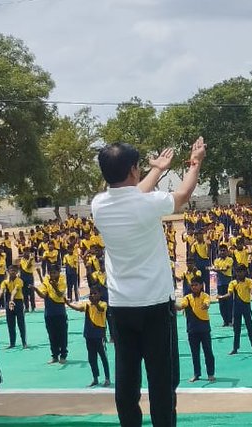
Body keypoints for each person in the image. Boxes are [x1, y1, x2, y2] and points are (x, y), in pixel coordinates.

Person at [91, 138, 205, 427]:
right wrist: (196, 162)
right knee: (162, 382)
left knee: (126, 381)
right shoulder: (148, 204)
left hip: (121, 307)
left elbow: (131, 194)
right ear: (132, 169)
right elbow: (183, 193)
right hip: (154, 306)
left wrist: (156, 169)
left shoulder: (99, 205)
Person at [68, 286, 111, 387]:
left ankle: (107, 378)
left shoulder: (103, 304)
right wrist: (68, 304)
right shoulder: (87, 305)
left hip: (99, 335)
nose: (92, 295)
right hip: (89, 335)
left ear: (100, 294)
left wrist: (95, 303)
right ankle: (95, 378)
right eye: (91, 293)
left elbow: (100, 309)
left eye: (95, 293)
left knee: (103, 357)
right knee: (92, 358)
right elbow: (78, 308)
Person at [177, 279, 216, 382]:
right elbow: (181, 306)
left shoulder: (205, 296)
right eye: (192, 285)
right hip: (192, 329)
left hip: (204, 329)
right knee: (195, 353)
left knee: (208, 352)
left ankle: (210, 373)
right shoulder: (187, 298)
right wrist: (172, 305)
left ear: (201, 285)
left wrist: (206, 305)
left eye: (196, 285)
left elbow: (207, 303)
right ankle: (197, 374)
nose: (194, 287)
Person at [217, 264, 252, 355]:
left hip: (246, 307)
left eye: (241, 271)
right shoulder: (233, 283)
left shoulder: (248, 281)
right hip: (236, 308)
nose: (239, 274)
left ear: (245, 272)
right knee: (236, 329)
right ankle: (235, 348)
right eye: (238, 272)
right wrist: (221, 297)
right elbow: (229, 294)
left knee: (249, 328)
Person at [35, 265, 69, 364]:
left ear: (59, 272)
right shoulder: (46, 281)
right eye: (51, 273)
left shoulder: (62, 281)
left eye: (54, 272)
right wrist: (36, 290)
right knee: (52, 335)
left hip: (60, 311)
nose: (52, 275)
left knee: (62, 334)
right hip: (49, 312)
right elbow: (43, 295)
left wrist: (55, 286)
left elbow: (60, 294)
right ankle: (54, 355)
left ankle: (63, 355)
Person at [0, 265, 28, 349]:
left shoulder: (19, 281)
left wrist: (11, 300)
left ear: (17, 272)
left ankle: (24, 342)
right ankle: (12, 343)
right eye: (11, 270)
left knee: (21, 323)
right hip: (8, 303)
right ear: (8, 271)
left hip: (18, 303)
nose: (13, 272)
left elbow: (15, 290)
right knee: (10, 324)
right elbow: (1, 291)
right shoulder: (5, 282)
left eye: (15, 270)